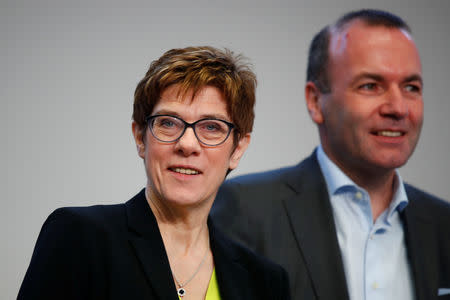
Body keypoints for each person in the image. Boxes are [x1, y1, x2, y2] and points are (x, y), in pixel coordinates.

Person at [212, 9, 450, 300]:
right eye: (371, 86)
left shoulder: (443, 225)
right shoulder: (245, 211)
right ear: (315, 101)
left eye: (411, 87)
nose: (398, 108)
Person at [18, 46, 291, 300]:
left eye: (211, 127)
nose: (187, 144)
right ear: (140, 137)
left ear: (238, 148)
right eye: (168, 123)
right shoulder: (79, 238)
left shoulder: (265, 282)